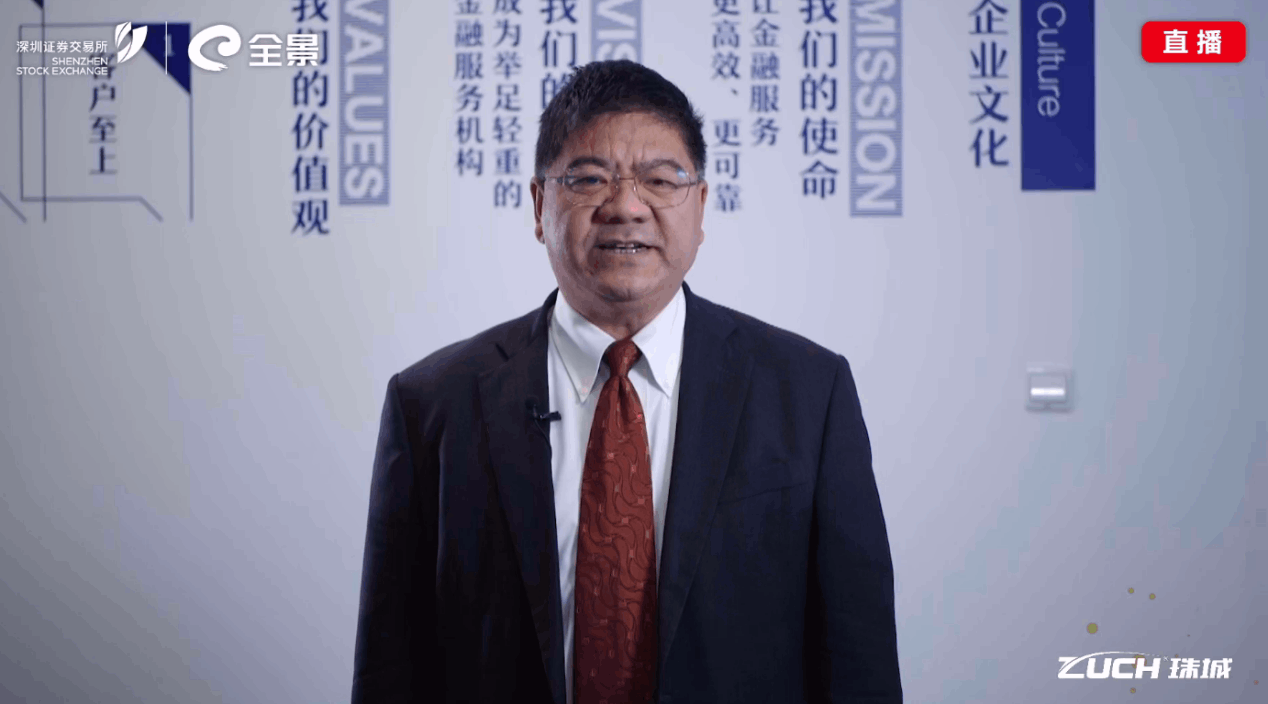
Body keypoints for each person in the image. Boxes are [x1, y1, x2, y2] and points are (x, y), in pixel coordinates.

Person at [351, 60, 901, 704]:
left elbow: (858, 664)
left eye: (660, 180)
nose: (626, 207)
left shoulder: (809, 393)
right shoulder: (432, 404)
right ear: (540, 205)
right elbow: (390, 670)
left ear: (701, 206)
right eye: (589, 179)